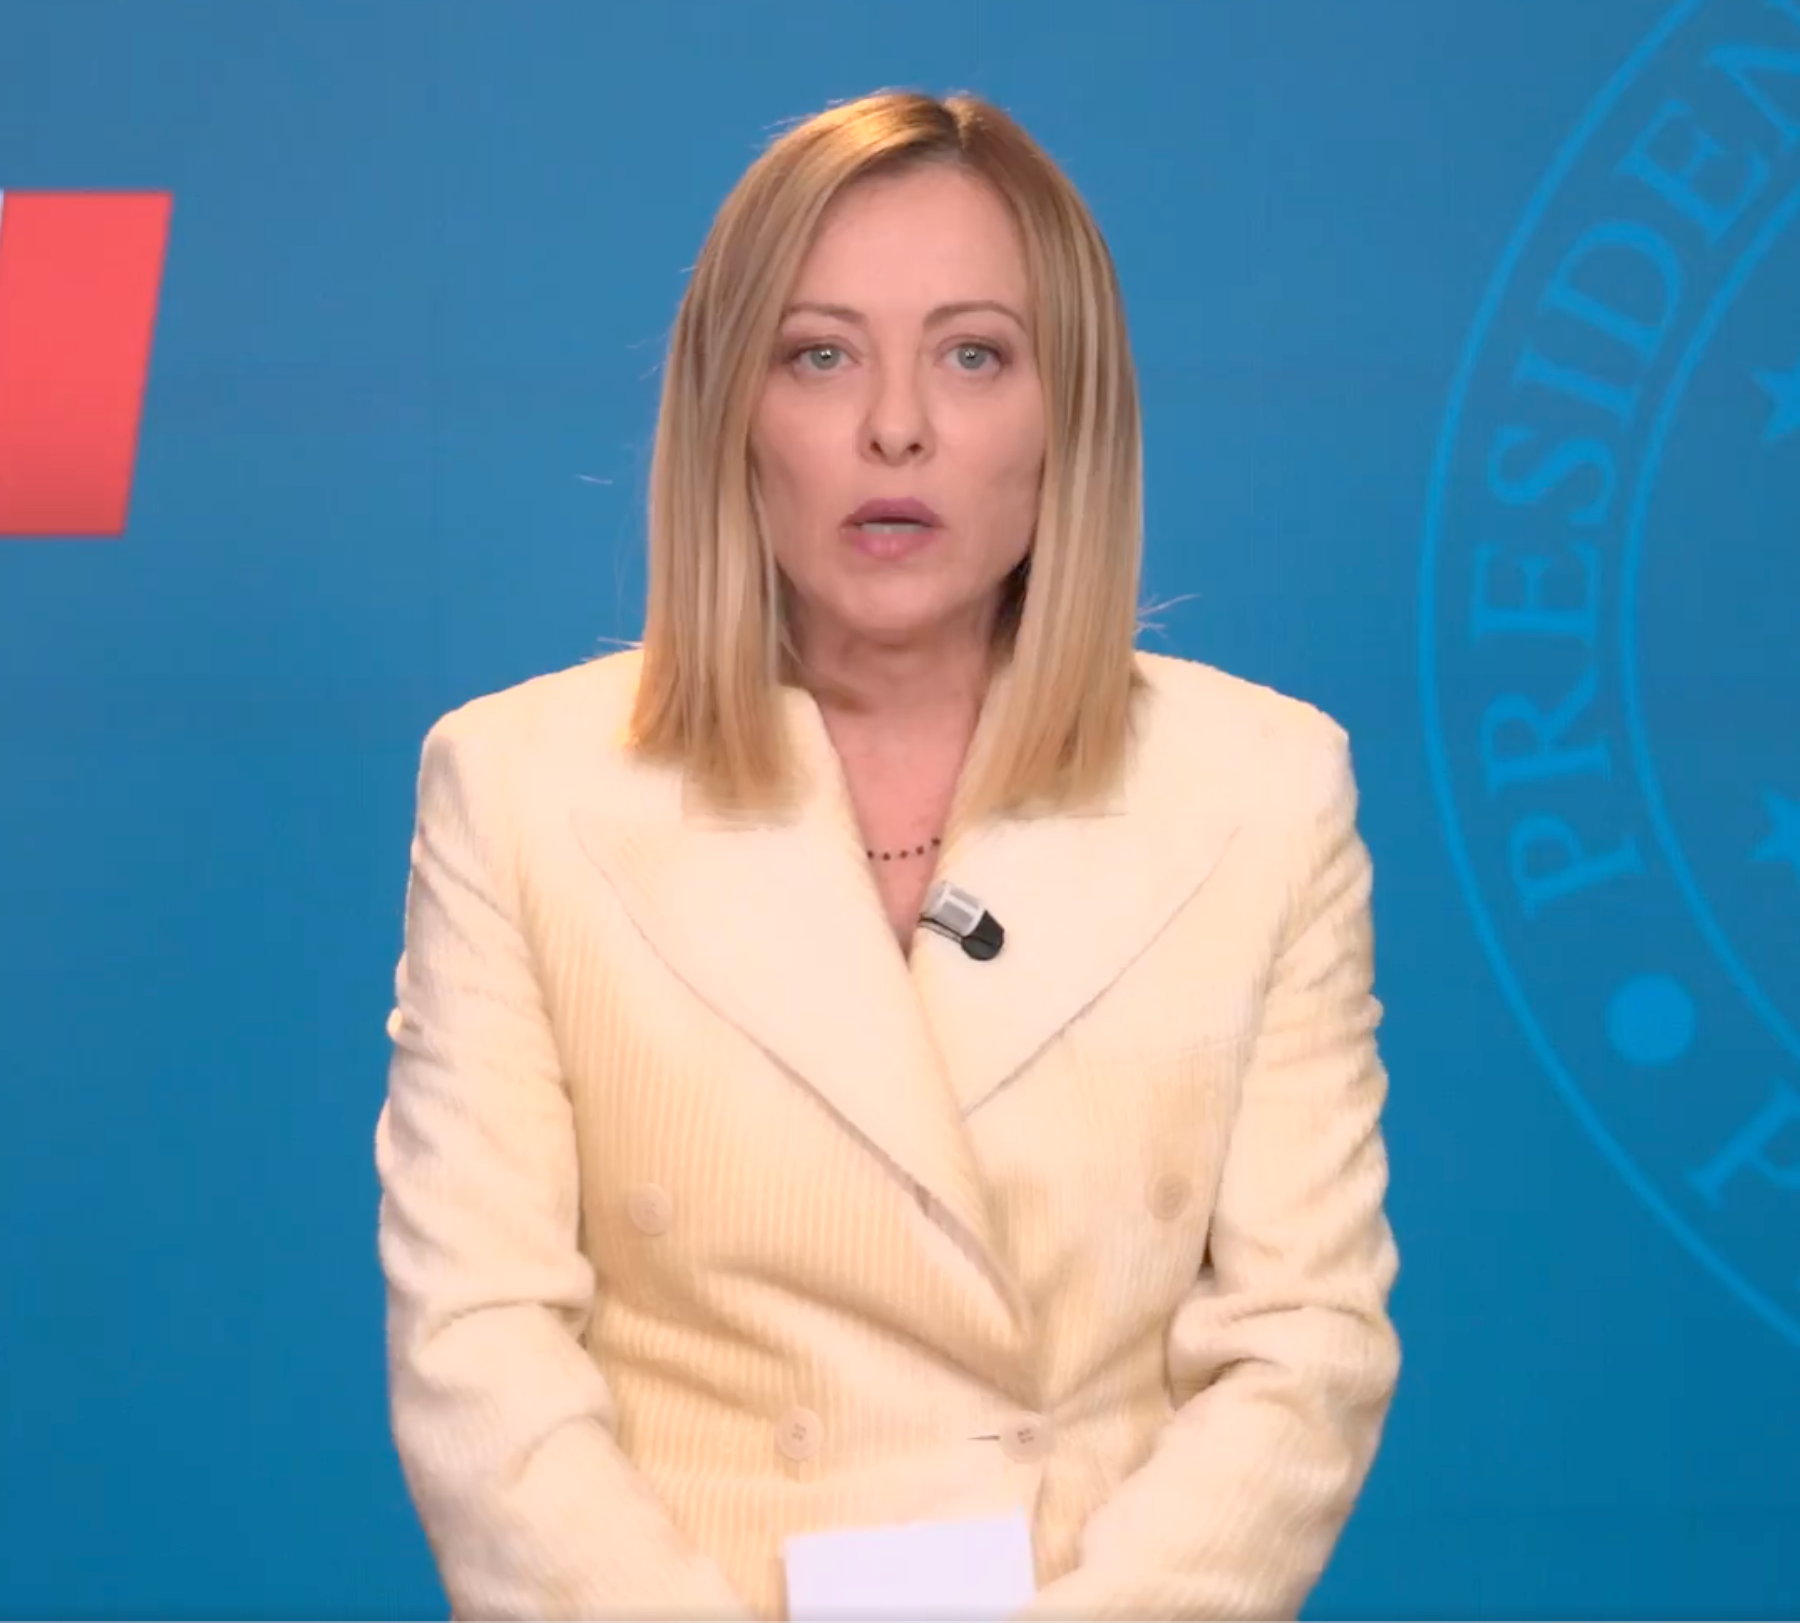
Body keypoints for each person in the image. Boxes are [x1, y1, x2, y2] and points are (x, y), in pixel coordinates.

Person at [374, 87, 1400, 1622]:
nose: (896, 426)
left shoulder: (1261, 790)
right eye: (821, 354)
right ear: (732, 411)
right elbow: (481, 1350)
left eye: (974, 354)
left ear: (1069, 414)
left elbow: (1302, 1346)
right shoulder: (519, 791)